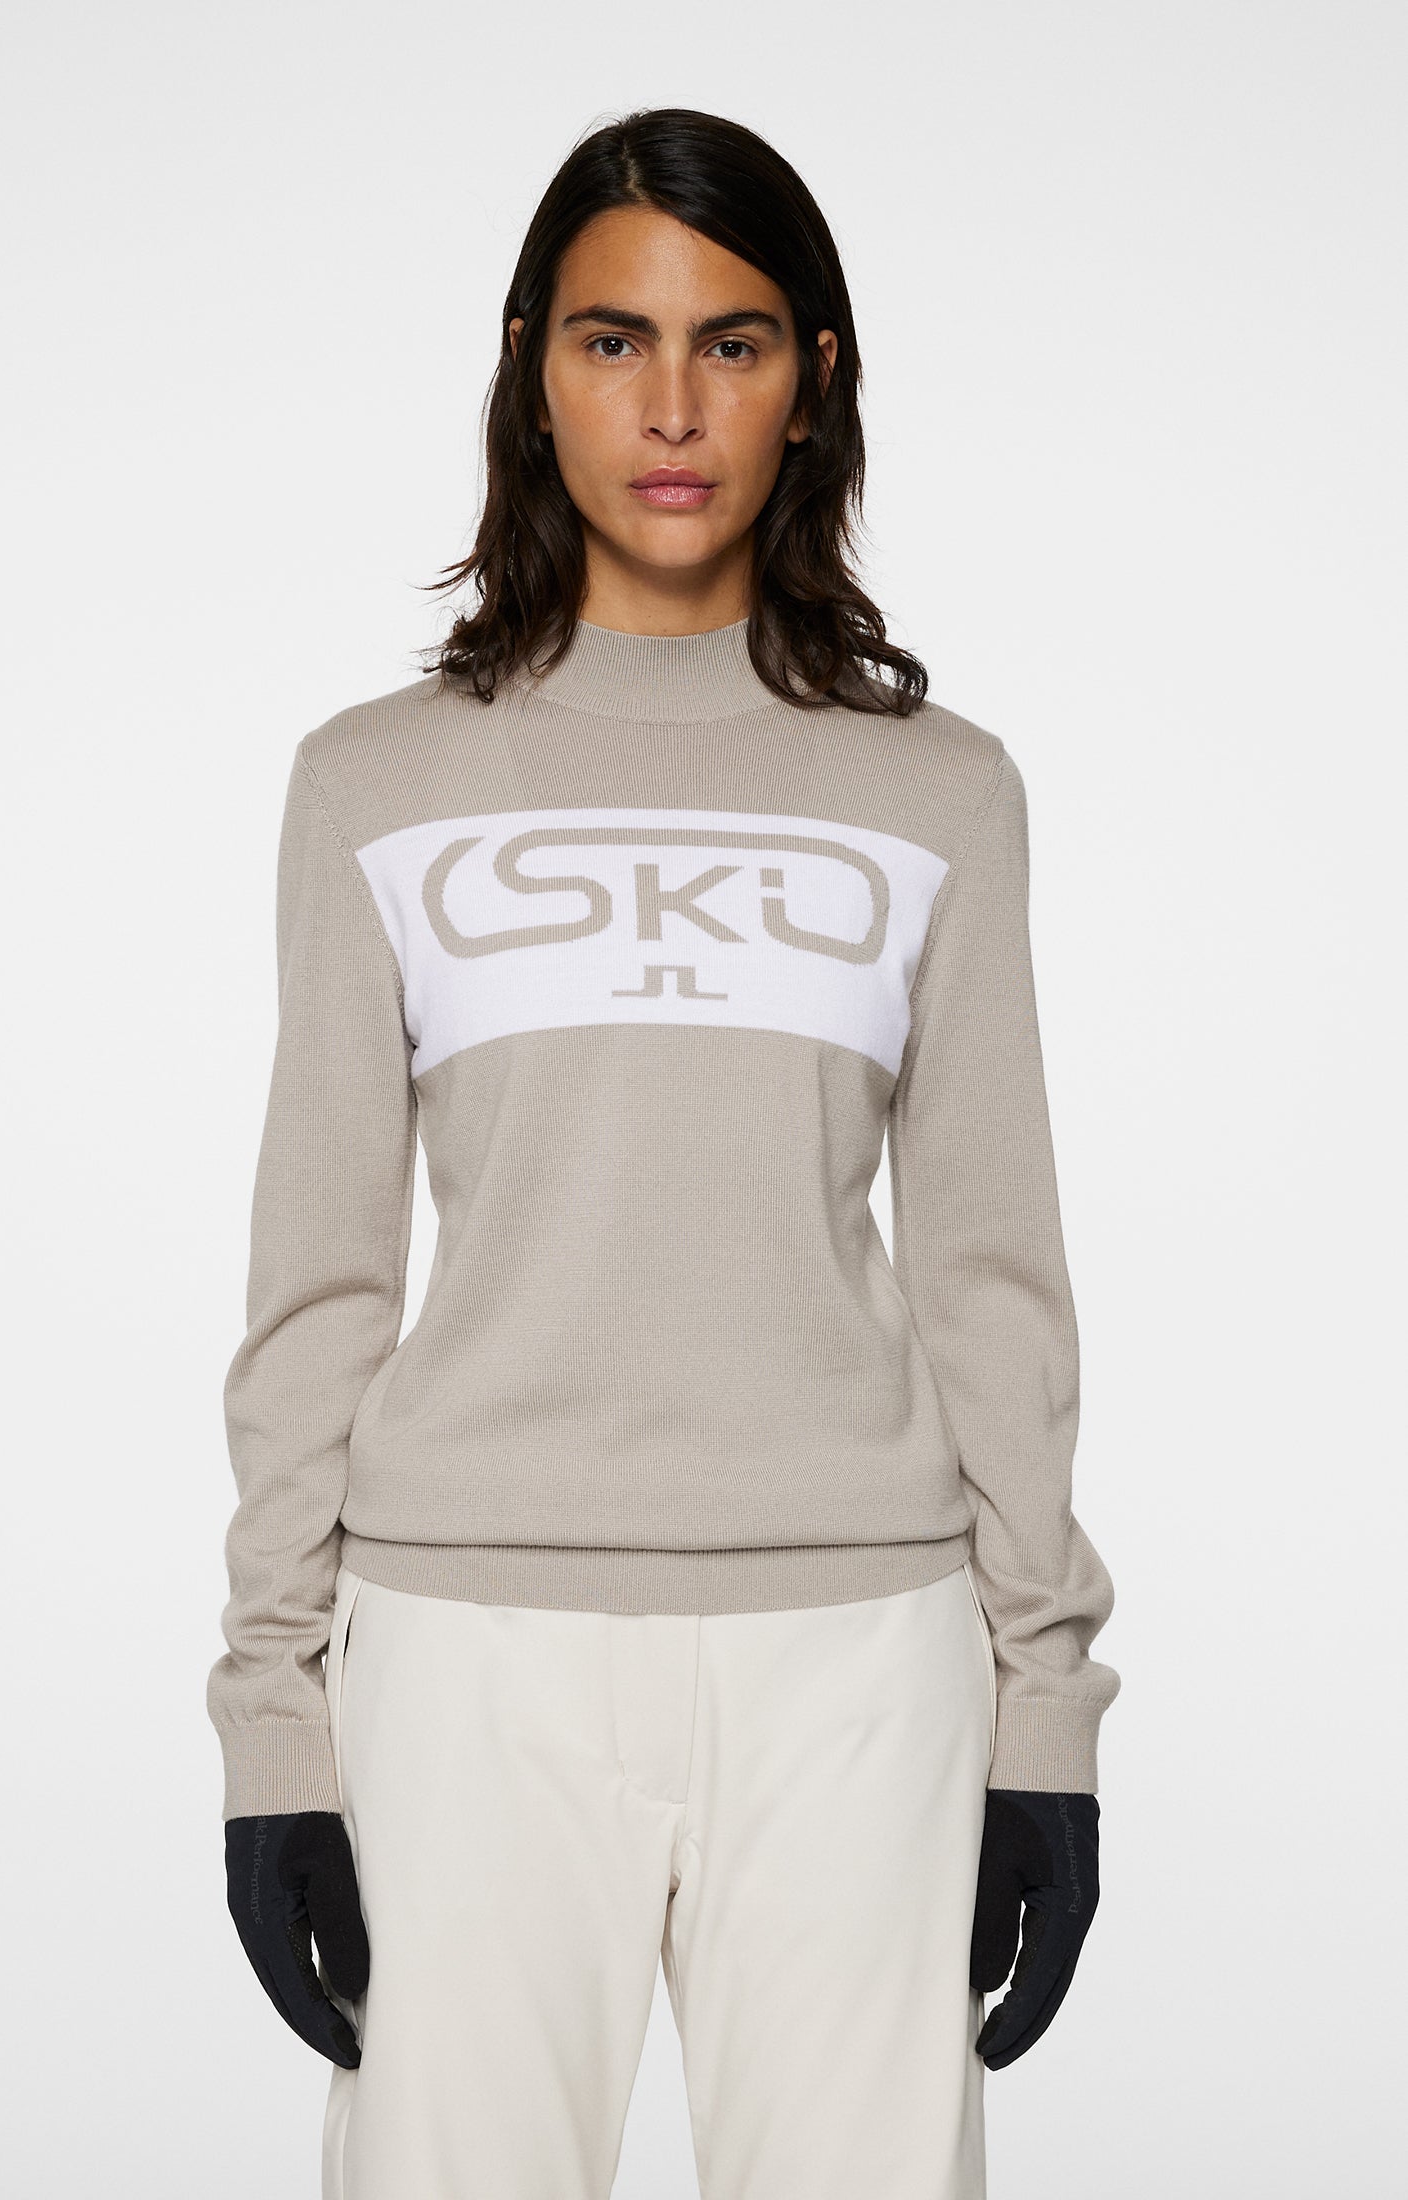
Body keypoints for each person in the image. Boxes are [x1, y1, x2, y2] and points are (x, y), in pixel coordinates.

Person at [208, 104, 1121, 2200]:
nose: (674, 406)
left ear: (816, 379)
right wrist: (274, 1731)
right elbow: (318, 1288)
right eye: (613, 340)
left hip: (862, 1651)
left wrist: (1043, 1717)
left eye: (735, 341)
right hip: (462, 1650)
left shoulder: (940, 794)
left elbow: (994, 1282)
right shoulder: (373, 786)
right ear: (534, 372)